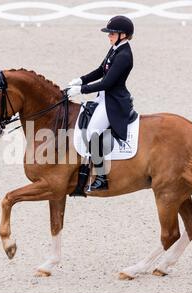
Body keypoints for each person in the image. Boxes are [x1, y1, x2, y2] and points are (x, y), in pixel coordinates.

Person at [67, 15, 135, 192]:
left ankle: (102, 177)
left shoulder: (124, 55)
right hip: (103, 97)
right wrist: (80, 80)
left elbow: (107, 83)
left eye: (112, 33)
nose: (109, 36)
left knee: (93, 132)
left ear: (123, 35)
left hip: (113, 101)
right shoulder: (115, 48)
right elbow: (100, 70)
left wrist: (81, 90)